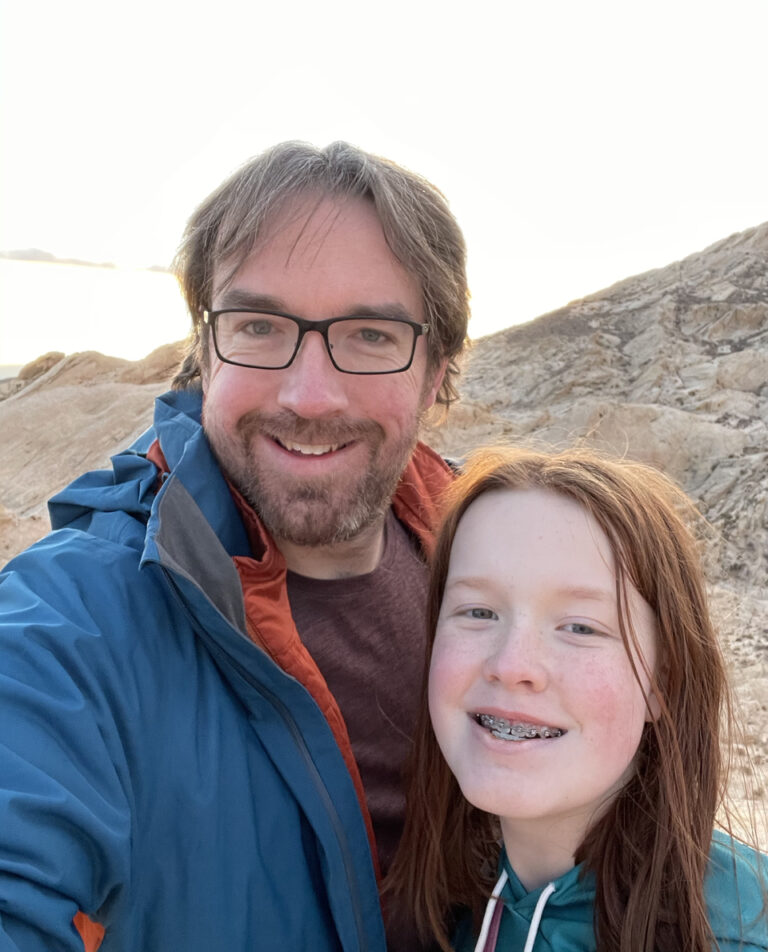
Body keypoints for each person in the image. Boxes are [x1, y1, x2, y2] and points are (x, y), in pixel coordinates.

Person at [0, 141, 470, 951]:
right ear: (205, 351)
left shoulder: (495, 566)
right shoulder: (73, 626)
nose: (310, 395)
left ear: (437, 370)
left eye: (368, 335)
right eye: (258, 326)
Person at [387, 447, 768, 951]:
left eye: (580, 627)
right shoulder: (452, 899)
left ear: (663, 682)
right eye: (478, 612)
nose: (511, 664)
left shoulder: (733, 935)